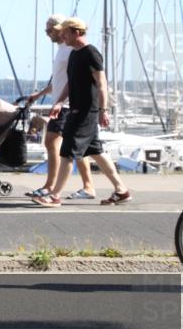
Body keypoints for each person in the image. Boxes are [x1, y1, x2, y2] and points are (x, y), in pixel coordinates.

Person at [32, 17, 131, 207]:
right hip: (75, 109)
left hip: (86, 112)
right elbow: (70, 82)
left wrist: (103, 110)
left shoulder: (91, 53)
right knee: (96, 152)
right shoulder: (74, 54)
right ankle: (122, 190)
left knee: (67, 152)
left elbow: (102, 84)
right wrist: (59, 101)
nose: (62, 35)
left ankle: (54, 196)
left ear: (77, 32)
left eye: (65, 32)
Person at [23, 14, 95, 200]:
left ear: (60, 29)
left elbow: (73, 81)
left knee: (52, 142)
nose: (47, 34)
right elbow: (59, 82)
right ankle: (88, 186)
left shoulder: (69, 50)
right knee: (79, 148)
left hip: (66, 106)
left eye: (49, 30)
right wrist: (39, 94)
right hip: (62, 104)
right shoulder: (62, 50)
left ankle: (50, 187)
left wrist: (61, 102)